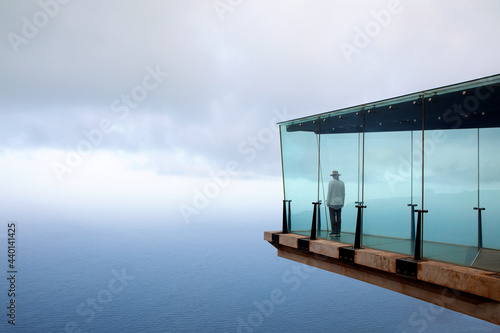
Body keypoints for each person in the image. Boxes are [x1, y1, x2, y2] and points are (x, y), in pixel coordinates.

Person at [326, 170, 345, 236]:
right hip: (340, 202)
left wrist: (327, 202)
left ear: (333, 176)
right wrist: (343, 202)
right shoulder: (342, 183)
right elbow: (343, 194)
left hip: (332, 202)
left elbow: (329, 193)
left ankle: (334, 231)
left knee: (332, 217)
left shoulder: (331, 183)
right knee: (339, 217)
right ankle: (338, 231)